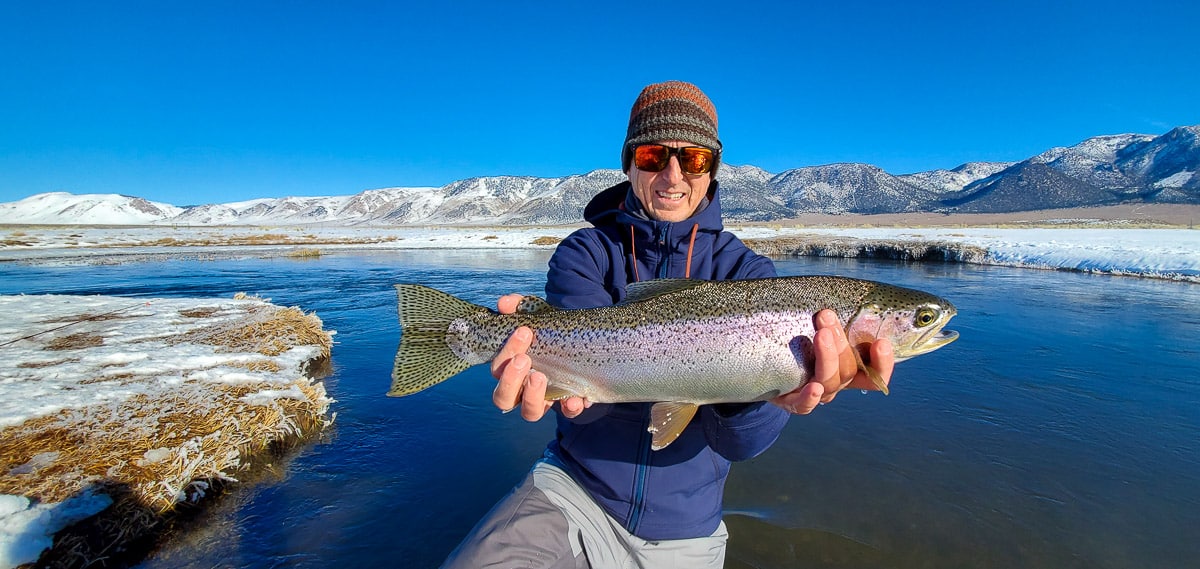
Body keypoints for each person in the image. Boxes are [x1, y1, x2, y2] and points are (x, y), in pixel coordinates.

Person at [441, 81, 895, 568]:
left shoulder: (748, 274)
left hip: (688, 529)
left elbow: (740, 445)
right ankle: (453, 338)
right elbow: (587, 408)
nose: (672, 175)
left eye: (694, 159)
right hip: (573, 492)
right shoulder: (585, 253)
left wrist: (772, 393)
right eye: (654, 155)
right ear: (630, 161)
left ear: (712, 167)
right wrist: (552, 382)